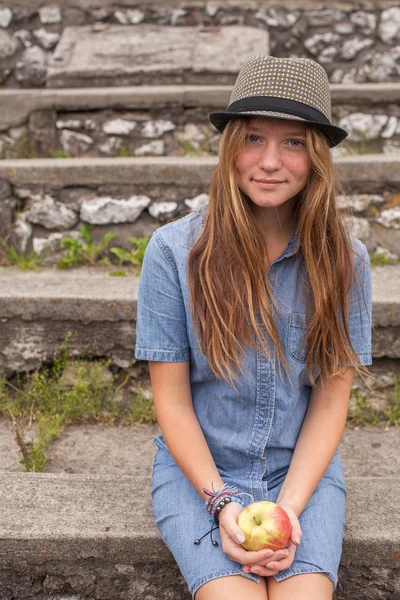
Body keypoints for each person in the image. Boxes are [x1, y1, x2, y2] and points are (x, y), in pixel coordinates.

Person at [134, 55, 373, 600]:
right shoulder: (174, 252)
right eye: (254, 138)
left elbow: (332, 402)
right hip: (201, 475)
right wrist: (221, 504)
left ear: (316, 157)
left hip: (301, 474)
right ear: (230, 148)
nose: (269, 161)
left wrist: (287, 511)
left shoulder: (346, 260)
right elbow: (170, 402)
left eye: (293, 143)